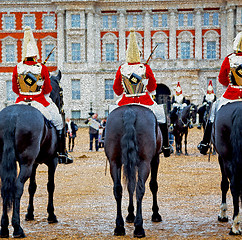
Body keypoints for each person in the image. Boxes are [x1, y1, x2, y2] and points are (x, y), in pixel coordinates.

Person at [12, 26, 72, 164]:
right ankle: (61, 152)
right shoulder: (41, 68)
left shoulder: (18, 67)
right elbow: (47, 90)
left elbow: (15, 89)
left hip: (20, 101)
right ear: (35, 54)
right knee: (58, 121)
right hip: (40, 102)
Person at [113, 28, 170, 157]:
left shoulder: (121, 68)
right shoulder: (145, 68)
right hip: (144, 101)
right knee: (161, 116)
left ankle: (109, 143)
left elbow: (117, 90)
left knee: (112, 116)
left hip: (124, 102)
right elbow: (152, 87)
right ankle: (166, 146)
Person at [198, 31, 242, 154]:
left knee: (213, 112)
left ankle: (205, 143)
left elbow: (222, 79)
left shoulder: (230, 58)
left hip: (231, 94)